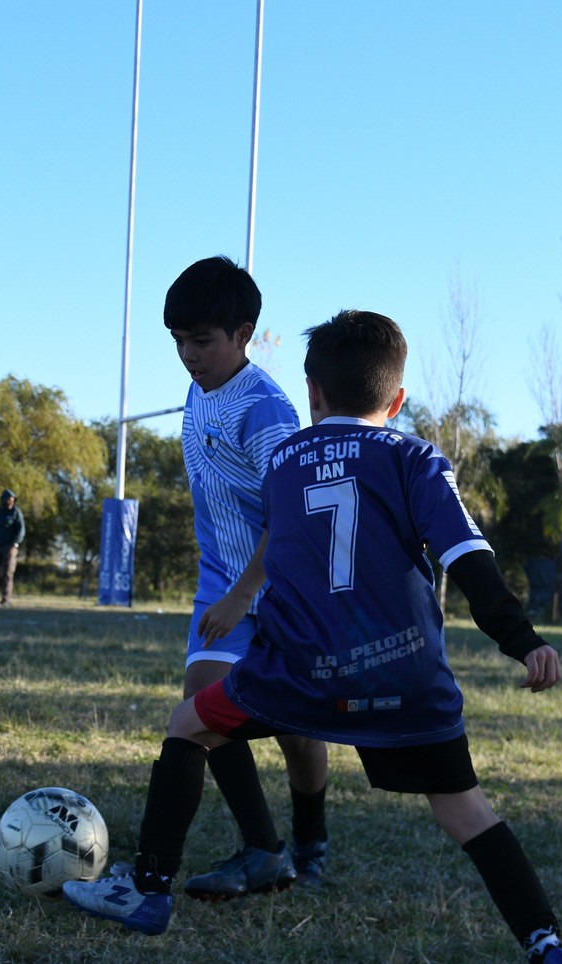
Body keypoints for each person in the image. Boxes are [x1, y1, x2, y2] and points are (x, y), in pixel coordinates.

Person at [63, 310, 562, 964]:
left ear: (311, 392)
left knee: (187, 726)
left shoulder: (283, 462)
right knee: (466, 812)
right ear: (396, 400)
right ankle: (547, 947)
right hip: (402, 682)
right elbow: (468, 558)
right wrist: (520, 638)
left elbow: (284, 560)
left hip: (298, 676)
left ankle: (150, 889)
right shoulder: (415, 458)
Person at [163, 256, 330, 899]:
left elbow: (293, 513)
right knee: (202, 708)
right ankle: (264, 849)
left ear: (244, 333)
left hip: (280, 586)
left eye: (201, 341)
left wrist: (244, 593)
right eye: (178, 340)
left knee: (296, 728)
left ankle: (311, 843)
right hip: (220, 581)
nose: (188, 355)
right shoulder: (197, 389)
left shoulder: (266, 410)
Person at [0, 490, 26, 606]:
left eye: (13, 500)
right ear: (3, 500)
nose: (10, 502)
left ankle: (6, 599)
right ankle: (3, 594)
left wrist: (15, 543)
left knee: (8, 573)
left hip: (10, 548)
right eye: (9, 500)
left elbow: (21, 529)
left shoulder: (16, 512)